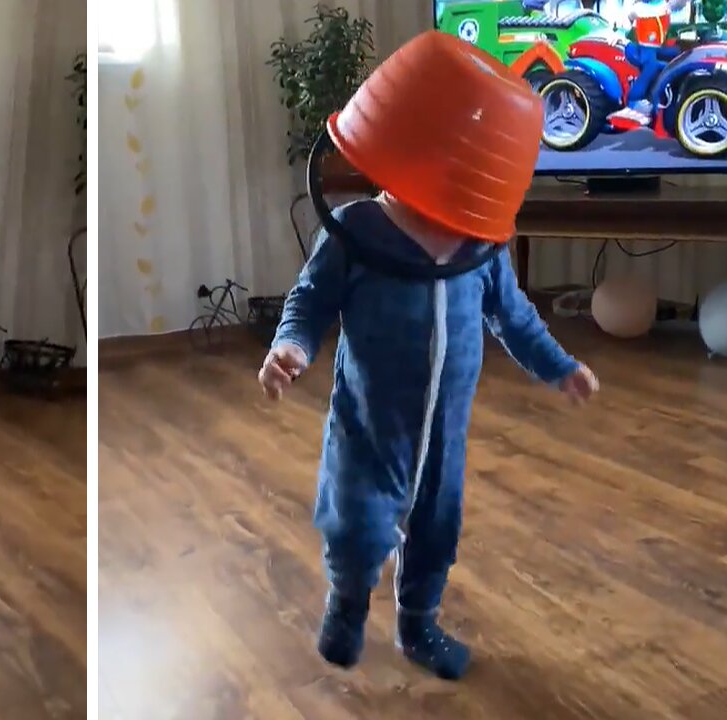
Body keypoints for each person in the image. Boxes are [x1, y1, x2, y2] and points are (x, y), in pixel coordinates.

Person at [257, 31, 599, 681]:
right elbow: (309, 301)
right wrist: (291, 348)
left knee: (436, 534)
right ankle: (349, 603)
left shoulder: (482, 247)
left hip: (444, 437)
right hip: (367, 431)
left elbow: (515, 318)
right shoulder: (358, 230)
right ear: (410, 152)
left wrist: (560, 365)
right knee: (356, 532)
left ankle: (419, 625)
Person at [608, 0, 692, 127]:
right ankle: (634, 101)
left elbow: (678, 4)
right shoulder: (639, 8)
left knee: (679, 55)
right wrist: (618, 33)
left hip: (659, 45)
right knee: (651, 67)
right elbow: (626, 21)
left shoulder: (664, 5)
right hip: (645, 47)